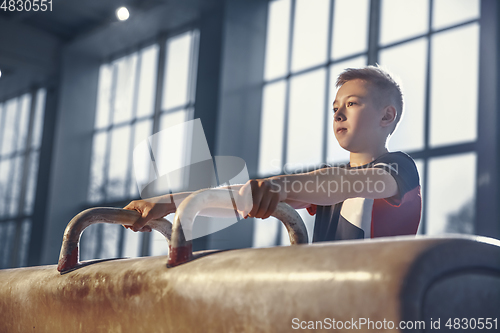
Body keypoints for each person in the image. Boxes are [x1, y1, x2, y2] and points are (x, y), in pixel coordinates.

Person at [124, 65, 421, 241]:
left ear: (387, 117)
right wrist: (168, 203)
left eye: (352, 103)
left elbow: (344, 183)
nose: (338, 114)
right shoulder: (330, 185)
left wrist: (280, 185)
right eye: (334, 108)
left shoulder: (398, 169)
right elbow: (241, 197)